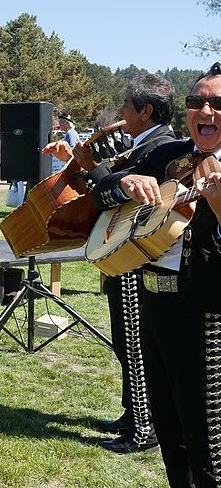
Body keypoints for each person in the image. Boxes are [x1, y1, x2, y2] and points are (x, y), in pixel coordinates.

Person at [91, 62, 221, 486]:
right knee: (170, 432)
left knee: (210, 443)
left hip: (208, 317)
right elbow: (102, 191)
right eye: (196, 101)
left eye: (217, 103)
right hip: (155, 305)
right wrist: (125, 185)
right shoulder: (170, 155)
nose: (206, 110)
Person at [43, 74, 177, 454]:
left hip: (137, 261)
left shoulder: (162, 148)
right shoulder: (144, 145)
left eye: (126, 105)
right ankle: (132, 415)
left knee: (135, 347)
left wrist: (94, 168)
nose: (120, 111)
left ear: (145, 111)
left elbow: (121, 197)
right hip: (124, 258)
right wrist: (84, 167)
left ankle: (144, 427)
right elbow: (107, 191)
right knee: (125, 342)